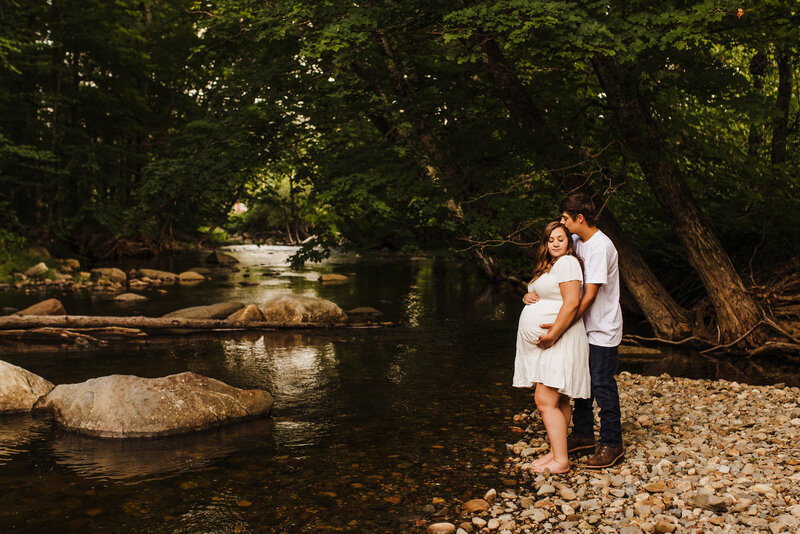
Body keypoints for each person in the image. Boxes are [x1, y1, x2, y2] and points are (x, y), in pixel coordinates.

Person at [513, 221, 591, 474]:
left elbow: (571, 304)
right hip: (553, 341)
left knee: (544, 400)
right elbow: (546, 294)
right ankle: (558, 452)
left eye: (561, 238)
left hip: (561, 339)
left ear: (568, 241)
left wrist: (553, 335)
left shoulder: (568, 263)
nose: (556, 243)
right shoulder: (552, 266)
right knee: (559, 400)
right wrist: (528, 296)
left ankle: (561, 461)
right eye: (551, 240)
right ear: (545, 243)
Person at [557, 192, 624, 469]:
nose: (561, 222)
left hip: (602, 329)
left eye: (565, 218)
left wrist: (568, 320)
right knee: (582, 385)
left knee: (602, 384)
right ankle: (583, 435)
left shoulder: (600, 247)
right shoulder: (576, 241)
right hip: (584, 328)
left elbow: (590, 294)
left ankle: (612, 444)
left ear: (579, 218)